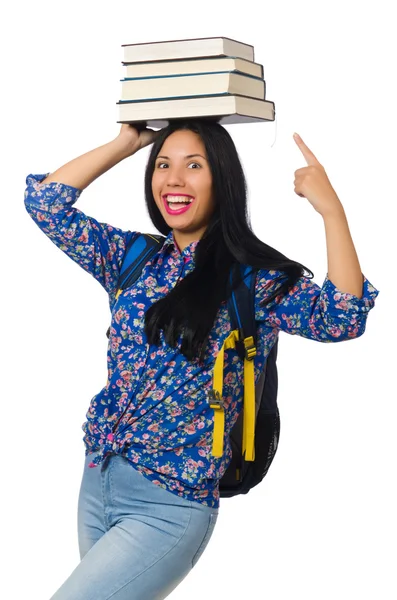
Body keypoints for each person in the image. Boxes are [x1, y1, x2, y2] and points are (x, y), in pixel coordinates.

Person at [24, 119, 379, 599]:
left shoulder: (254, 282)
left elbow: (341, 318)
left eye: (194, 166)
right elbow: (45, 203)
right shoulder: (133, 259)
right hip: (99, 480)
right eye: (163, 166)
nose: (174, 179)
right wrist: (126, 143)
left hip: (170, 504)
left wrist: (331, 212)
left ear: (223, 180)